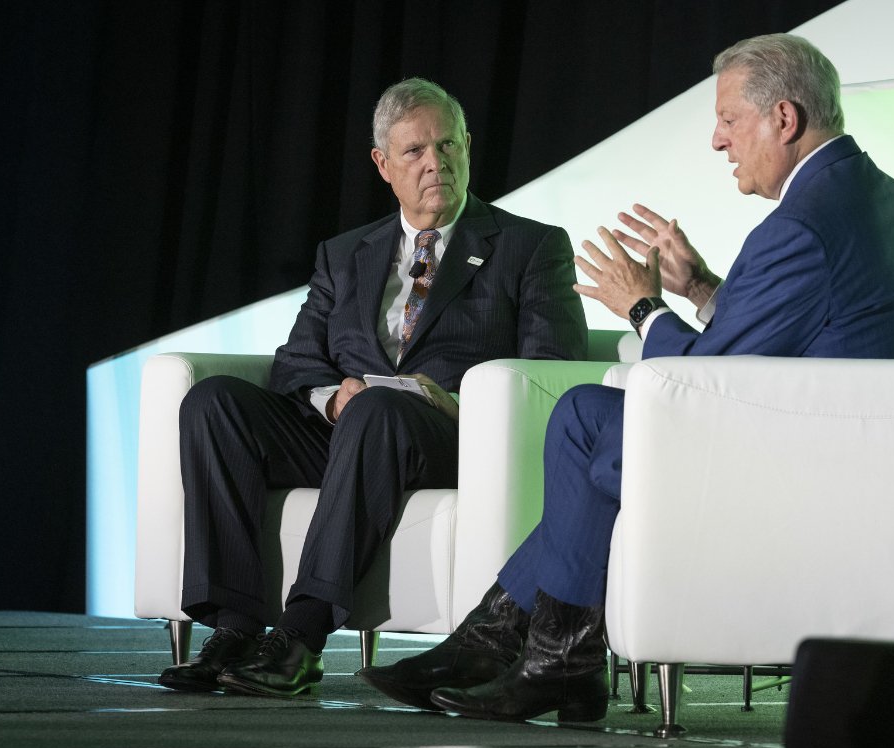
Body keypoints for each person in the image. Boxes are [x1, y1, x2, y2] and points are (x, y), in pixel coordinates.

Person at [359, 34, 894, 723]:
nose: (716, 141)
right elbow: (790, 333)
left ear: (783, 119)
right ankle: (523, 655)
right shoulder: (868, 194)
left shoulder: (804, 224)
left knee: (585, 420)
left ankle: (540, 657)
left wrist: (641, 307)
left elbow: (706, 380)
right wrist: (702, 287)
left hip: (812, 462)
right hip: (840, 439)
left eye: (729, 120)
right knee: (599, 440)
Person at [158, 78, 587, 697]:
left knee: (381, 409)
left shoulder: (529, 246)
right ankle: (234, 628)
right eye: (414, 152)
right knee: (213, 402)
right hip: (347, 427)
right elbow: (296, 364)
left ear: (468, 145)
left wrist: (463, 403)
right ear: (383, 166)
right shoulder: (344, 254)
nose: (435, 163)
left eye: (446, 145)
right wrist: (333, 398)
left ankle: (301, 638)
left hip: (448, 435)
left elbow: (551, 371)